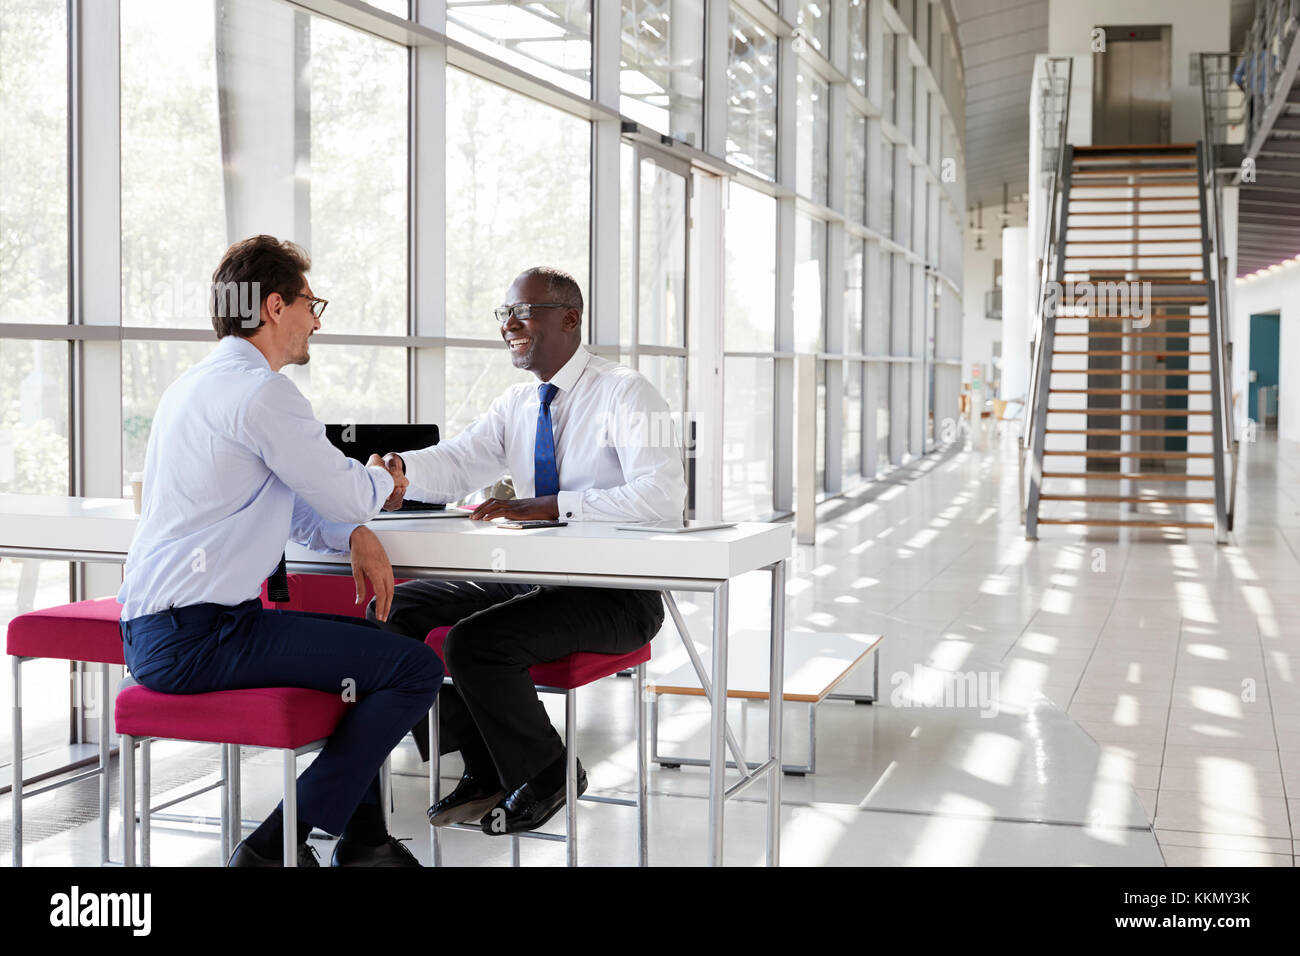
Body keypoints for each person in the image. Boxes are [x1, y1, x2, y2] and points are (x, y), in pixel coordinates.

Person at [117, 235, 444, 867]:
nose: (315, 320)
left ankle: (367, 842)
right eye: (309, 303)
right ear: (273, 307)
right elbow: (348, 491)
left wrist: (350, 531)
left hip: (165, 631)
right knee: (415, 669)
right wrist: (386, 479)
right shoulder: (264, 393)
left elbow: (297, 509)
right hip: (202, 637)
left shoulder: (193, 386)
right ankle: (272, 849)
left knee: (367, 661)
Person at [370, 266, 686, 836]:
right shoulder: (516, 403)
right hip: (533, 581)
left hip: (615, 595)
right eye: (504, 313)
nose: (509, 324)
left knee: (476, 642)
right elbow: (459, 462)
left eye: (523, 311)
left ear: (569, 318)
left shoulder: (627, 391)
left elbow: (663, 496)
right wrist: (400, 470)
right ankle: (486, 765)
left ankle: (546, 773)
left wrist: (554, 505)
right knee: (399, 607)